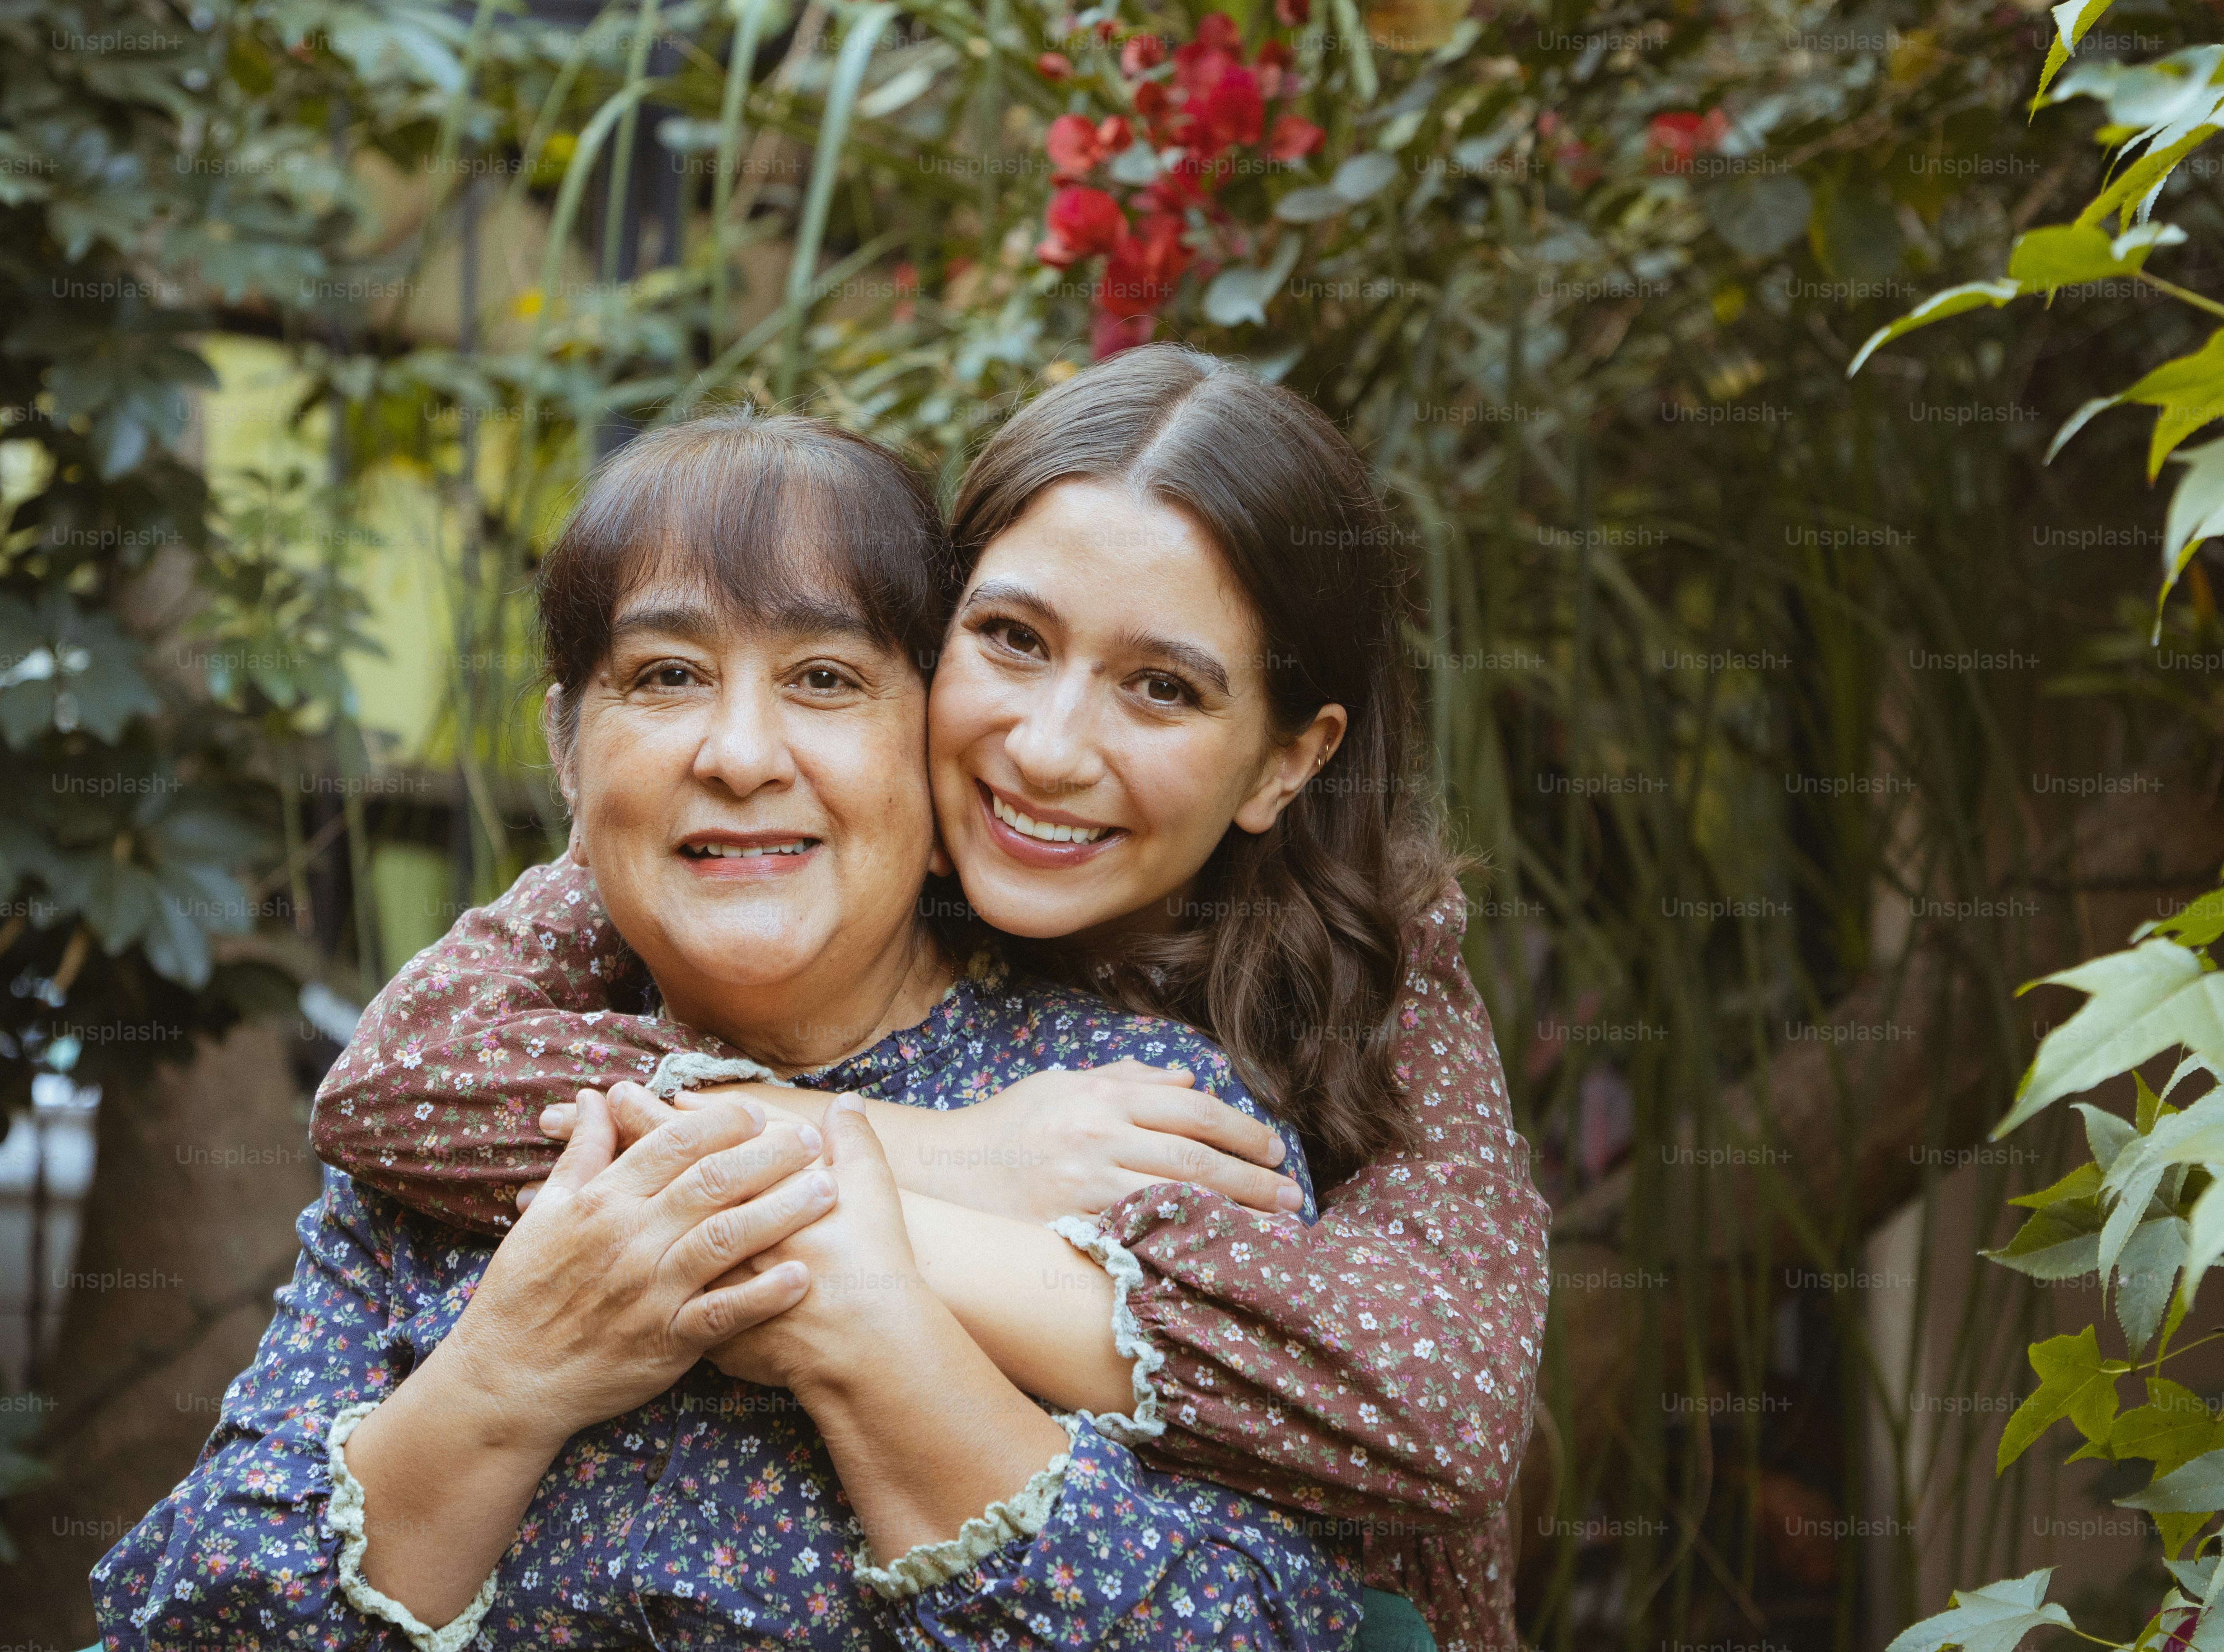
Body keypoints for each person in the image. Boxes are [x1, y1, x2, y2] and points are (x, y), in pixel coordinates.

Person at [311, 344, 1548, 1641]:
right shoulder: (756, 851)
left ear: (1286, 762)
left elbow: (1435, 1416)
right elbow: (399, 1081)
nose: (1048, 747)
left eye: (1162, 688)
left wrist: (859, 1257)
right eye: (1011, 641)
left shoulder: (1375, 969)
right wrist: (945, 1155)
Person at [94, 410, 1363, 1651]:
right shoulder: (476, 1123)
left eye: (823, 679)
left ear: (929, 741)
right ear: (567, 759)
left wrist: (881, 1348)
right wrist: (506, 1377)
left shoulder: (1136, 1118)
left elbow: (1268, 1625)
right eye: (665, 677)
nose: (742, 753)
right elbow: (191, 1621)